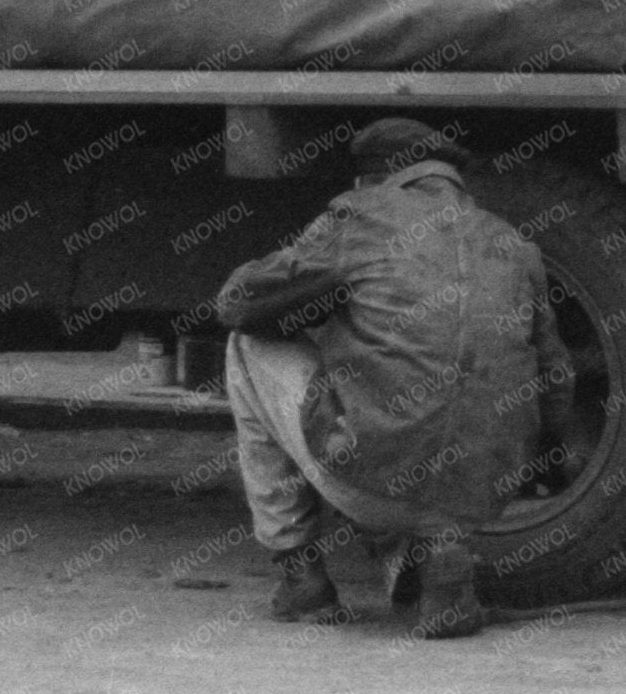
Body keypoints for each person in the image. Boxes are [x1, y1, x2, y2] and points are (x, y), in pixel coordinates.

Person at [208, 118, 571, 640]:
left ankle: (300, 575)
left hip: (374, 479)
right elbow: (556, 379)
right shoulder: (513, 242)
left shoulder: (361, 215)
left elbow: (237, 306)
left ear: (370, 179)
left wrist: (319, 301)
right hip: (483, 494)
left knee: (247, 347)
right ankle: (437, 551)